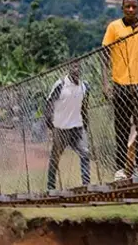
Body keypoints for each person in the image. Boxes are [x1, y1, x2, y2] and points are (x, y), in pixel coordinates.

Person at [101, 0, 138, 178]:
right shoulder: (114, 27)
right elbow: (104, 56)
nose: (131, 10)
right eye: (127, 7)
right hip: (121, 84)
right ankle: (120, 169)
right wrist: (105, 83)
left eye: (134, 7)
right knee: (122, 127)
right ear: (122, 8)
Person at [45, 63, 91, 191]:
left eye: (78, 67)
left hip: (77, 127)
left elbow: (84, 106)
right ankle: (50, 186)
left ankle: (86, 184)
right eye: (74, 67)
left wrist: (86, 123)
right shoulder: (60, 84)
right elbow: (49, 103)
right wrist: (50, 124)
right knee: (55, 157)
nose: (76, 70)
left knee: (85, 153)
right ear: (69, 69)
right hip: (61, 128)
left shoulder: (84, 86)